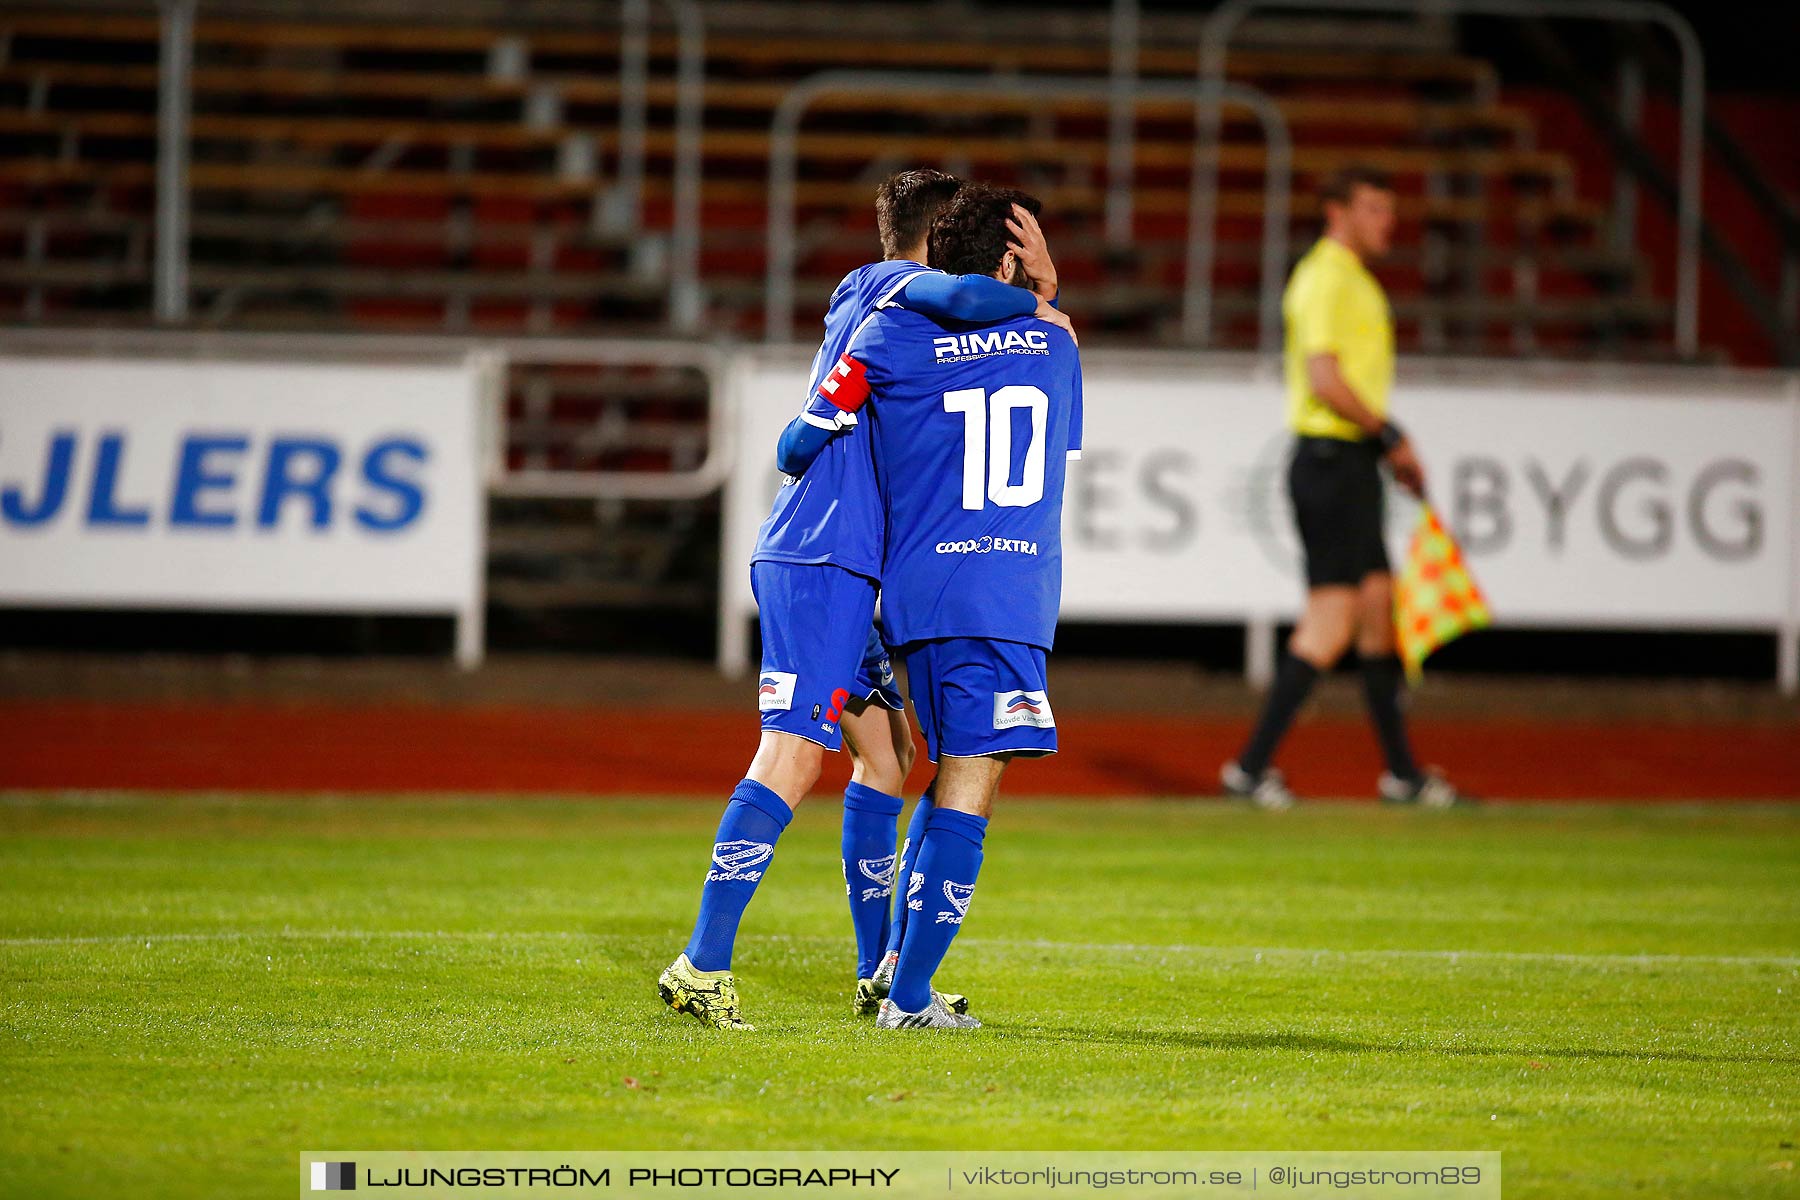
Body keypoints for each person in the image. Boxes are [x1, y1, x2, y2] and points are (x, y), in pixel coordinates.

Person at [657, 170, 1069, 1030]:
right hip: (823, 557)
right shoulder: (899, 292)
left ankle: (879, 975)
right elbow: (967, 300)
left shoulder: (868, 304)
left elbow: (798, 438)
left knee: (888, 758)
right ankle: (703, 961)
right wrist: (1036, 295)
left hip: (856, 562)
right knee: (794, 753)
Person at [821, 183, 1083, 1029]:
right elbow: (1053, 350)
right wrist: (1044, 286)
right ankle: (906, 998)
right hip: (1000, 596)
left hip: (912, 593)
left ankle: (897, 971)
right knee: (973, 779)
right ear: (1011, 257)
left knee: (936, 771)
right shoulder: (1050, 343)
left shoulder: (894, 332)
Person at [1220, 165, 1462, 811]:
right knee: (1332, 617)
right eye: (1376, 208)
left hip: (1350, 463)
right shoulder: (1325, 276)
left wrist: (1380, 446)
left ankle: (1403, 776)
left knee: (1379, 613)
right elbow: (1324, 379)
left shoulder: (1351, 278)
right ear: (1338, 211)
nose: (1389, 221)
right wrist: (1389, 435)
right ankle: (1248, 768)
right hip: (1332, 461)